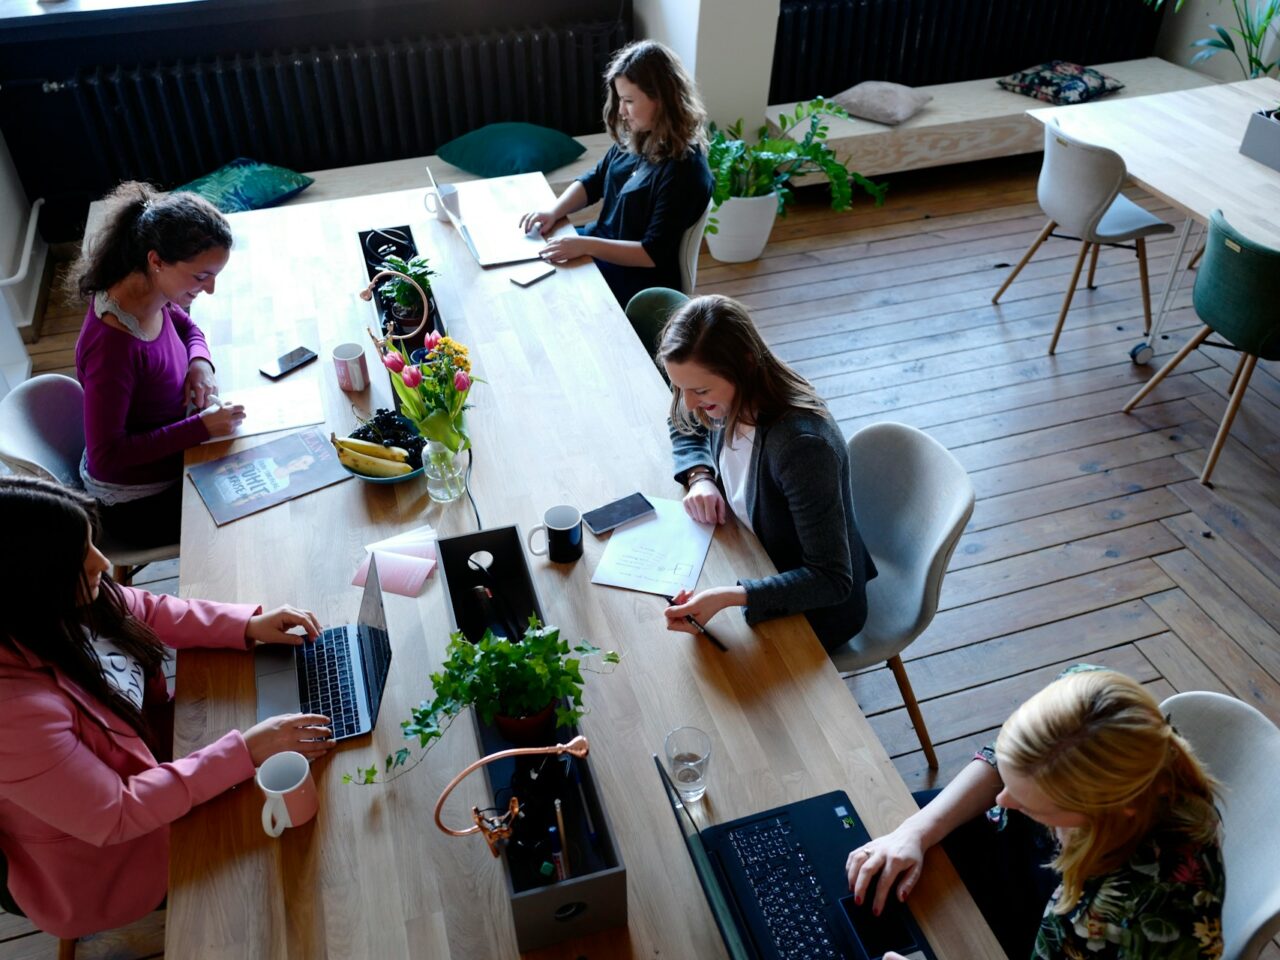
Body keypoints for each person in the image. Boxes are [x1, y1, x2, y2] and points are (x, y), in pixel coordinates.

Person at [0, 477, 332, 939]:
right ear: (32, 582)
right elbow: (116, 813)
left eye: (92, 543)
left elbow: (148, 609)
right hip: (113, 862)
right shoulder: (13, 717)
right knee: (299, 877)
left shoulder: (62, 602)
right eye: (82, 557)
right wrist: (244, 751)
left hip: (163, 759)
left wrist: (249, 626)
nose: (103, 563)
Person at [846, 668, 1224, 960]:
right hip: (1016, 857)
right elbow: (1005, 761)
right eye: (1008, 780)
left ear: (1096, 811)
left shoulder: (1123, 918)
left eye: (1030, 801)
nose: (1004, 800)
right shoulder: (1087, 697)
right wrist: (916, 830)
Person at [658, 294, 876, 649]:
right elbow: (682, 420)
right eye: (680, 388)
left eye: (699, 390)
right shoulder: (729, 393)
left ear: (744, 365)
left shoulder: (801, 448)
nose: (689, 402)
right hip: (750, 553)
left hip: (812, 609)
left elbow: (831, 580)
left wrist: (732, 596)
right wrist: (700, 476)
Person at [72, 181, 246, 550]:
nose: (210, 289)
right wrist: (198, 428)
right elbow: (109, 456)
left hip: (173, 451)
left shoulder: (149, 290)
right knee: (251, 513)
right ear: (156, 260)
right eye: (201, 277)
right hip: (137, 504)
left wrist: (200, 362)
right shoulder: (112, 347)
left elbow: (184, 325)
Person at [520, 39, 713, 308]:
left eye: (629, 101)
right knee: (531, 254)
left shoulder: (685, 170)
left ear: (661, 98)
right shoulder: (638, 136)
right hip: (601, 246)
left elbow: (651, 253)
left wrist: (585, 245)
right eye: (620, 100)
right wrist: (554, 211)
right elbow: (595, 180)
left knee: (551, 290)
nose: (621, 111)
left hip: (638, 279)